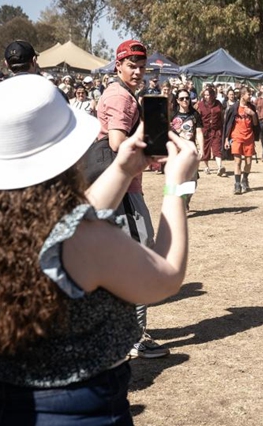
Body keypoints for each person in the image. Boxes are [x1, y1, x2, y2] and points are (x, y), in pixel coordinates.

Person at [0, 73, 198, 424]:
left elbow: (66, 223)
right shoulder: (84, 239)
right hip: (79, 411)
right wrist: (177, 187)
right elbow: (165, 276)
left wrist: (123, 170)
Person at [96, 39, 170, 359]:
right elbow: (116, 143)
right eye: (132, 65)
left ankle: (119, 331)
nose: (138, 71)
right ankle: (135, 337)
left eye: (141, 66)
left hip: (120, 188)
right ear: (118, 66)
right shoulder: (121, 96)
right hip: (125, 191)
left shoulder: (122, 94)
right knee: (140, 259)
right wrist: (151, 142)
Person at [172, 90, 204, 210]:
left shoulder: (195, 114)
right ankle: (178, 202)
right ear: (177, 101)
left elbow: (199, 133)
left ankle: (185, 199)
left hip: (191, 151)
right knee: (179, 178)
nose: (185, 100)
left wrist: (201, 149)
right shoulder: (172, 115)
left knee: (192, 181)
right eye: (182, 99)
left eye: (187, 98)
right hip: (177, 151)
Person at [223, 87, 258, 194]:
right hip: (237, 137)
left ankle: (245, 179)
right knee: (237, 162)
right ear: (242, 95)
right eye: (249, 94)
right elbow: (227, 125)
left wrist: (252, 114)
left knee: (248, 162)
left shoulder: (251, 107)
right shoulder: (234, 108)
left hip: (249, 137)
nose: (250, 96)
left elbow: (256, 124)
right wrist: (226, 140)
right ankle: (237, 184)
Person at [196, 87, 226, 176]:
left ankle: (220, 167)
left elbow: (222, 116)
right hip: (205, 130)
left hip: (216, 130)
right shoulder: (200, 105)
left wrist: (221, 127)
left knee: (217, 148)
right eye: (205, 95)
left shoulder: (218, 104)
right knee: (205, 149)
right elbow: (197, 118)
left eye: (208, 95)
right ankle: (206, 167)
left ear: (212, 95)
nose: (206, 97)